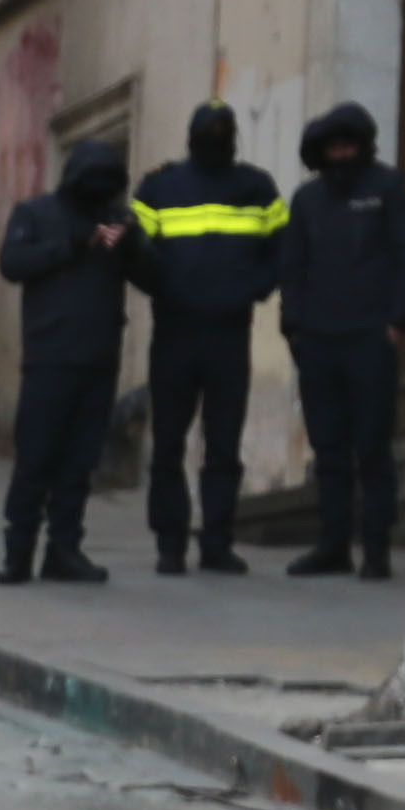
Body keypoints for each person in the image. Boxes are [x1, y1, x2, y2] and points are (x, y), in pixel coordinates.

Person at [275, 100, 405, 578]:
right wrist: (295, 328)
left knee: (372, 447)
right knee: (328, 449)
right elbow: (292, 268)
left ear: (363, 146)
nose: (341, 154)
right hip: (318, 341)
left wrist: (397, 322)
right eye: (333, 147)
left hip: (370, 338)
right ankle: (333, 544)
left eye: (348, 145)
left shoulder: (392, 189)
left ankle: (377, 548)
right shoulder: (307, 201)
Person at [131, 102, 285, 575]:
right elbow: (136, 254)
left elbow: (283, 249)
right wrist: (166, 289)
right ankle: (170, 545)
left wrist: (255, 288)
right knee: (169, 445)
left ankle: (217, 543)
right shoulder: (159, 187)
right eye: (210, 130)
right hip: (175, 332)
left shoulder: (257, 188)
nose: (218, 136)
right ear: (192, 135)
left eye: (224, 130)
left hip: (229, 334)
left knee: (223, 446)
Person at [0, 133, 150, 583]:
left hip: (98, 361)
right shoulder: (37, 215)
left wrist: (131, 244)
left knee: (80, 463)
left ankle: (64, 550)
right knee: (36, 459)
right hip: (49, 358)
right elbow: (13, 263)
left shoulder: (118, 222)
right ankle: (17, 552)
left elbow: (152, 278)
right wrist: (77, 244)